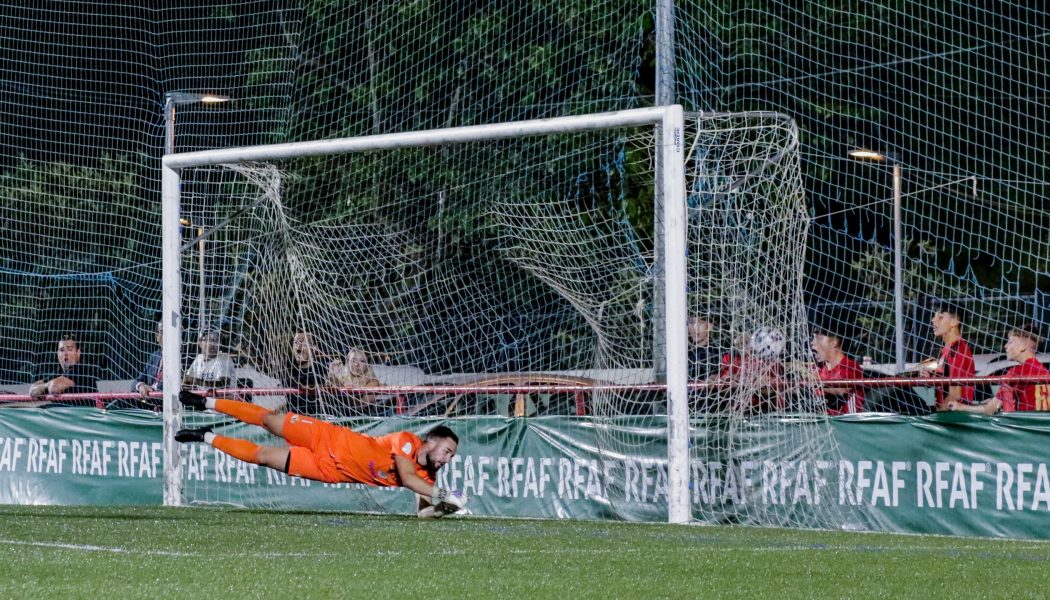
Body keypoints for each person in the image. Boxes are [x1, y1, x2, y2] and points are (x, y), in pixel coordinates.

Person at [174, 390, 466, 518]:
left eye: (452, 457)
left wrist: (443, 508)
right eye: (447, 451)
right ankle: (206, 402)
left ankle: (204, 436)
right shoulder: (407, 443)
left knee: (262, 457)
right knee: (268, 421)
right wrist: (443, 494)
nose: (447, 459)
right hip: (328, 436)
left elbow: (425, 513)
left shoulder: (427, 477)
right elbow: (407, 477)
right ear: (431, 441)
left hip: (329, 470)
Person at [949, 325, 1050, 415]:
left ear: (1023, 346)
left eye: (1010, 342)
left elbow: (990, 410)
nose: (1005, 346)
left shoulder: (1016, 372)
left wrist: (960, 407)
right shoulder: (1044, 371)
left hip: (1024, 429)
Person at [925, 303, 975, 411]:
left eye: (940, 317)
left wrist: (938, 415)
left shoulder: (958, 349)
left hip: (955, 418)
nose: (933, 320)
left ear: (954, 322)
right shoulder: (947, 349)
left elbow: (955, 395)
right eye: (934, 316)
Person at [29, 335, 103, 406]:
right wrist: (48, 385)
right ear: (57, 354)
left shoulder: (82, 370)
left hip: (83, 414)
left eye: (69, 349)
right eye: (62, 350)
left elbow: (54, 388)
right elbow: (32, 390)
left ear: (78, 352)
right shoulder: (59, 372)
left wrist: (44, 388)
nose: (65, 353)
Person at [110, 320, 164, 410]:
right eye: (162, 332)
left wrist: (153, 389)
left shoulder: (181, 358)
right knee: (120, 402)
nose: (166, 335)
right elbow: (137, 381)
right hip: (148, 408)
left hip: (167, 408)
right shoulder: (154, 356)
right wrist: (141, 386)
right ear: (157, 336)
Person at [283, 330, 336, 414]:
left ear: (314, 347)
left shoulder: (324, 369)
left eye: (304, 343)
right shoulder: (287, 369)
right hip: (294, 420)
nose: (298, 347)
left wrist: (334, 379)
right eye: (296, 342)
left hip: (320, 420)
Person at [811, 330, 864, 415]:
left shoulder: (851, 367)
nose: (813, 343)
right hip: (822, 422)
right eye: (813, 338)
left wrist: (812, 383)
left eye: (819, 338)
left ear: (833, 342)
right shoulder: (820, 370)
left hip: (846, 423)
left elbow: (841, 391)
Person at [687, 316, 719, 381]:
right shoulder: (683, 351)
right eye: (691, 322)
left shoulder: (715, 353)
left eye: (700, 322)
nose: (695, 328)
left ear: (709, 326)